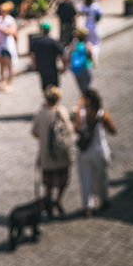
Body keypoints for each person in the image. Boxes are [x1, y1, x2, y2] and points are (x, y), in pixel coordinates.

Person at [73, 88, 117, 216]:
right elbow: (113, 131)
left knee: (85, 178)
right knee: (101, 177)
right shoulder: (102, 114)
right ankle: (104, 199)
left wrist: (78, 109)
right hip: (99, 150)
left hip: (85, 152)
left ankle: (87, 206)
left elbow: (76, 129)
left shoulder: (81, 114)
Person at [32, 85, 74, 216]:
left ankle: (49, 204)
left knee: (48, 183)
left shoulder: (40, 113)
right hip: (61, 155)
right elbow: (70, 129)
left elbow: (34, 132)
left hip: (46, 155)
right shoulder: (62, 111)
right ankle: (58, 200)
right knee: (63, 180)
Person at [30, 21, 65, 91]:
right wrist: (63, 66)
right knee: (54, 87)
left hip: (41, 68)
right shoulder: (54, 42)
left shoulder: (36, 42)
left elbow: (32, 55)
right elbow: (61, 55)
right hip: (52, 67)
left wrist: (34, 65)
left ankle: (48, 99)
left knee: (45, 86)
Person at [0, 1, 18, 91]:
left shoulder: (10, 20)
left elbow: (12, 32)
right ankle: (2, 82)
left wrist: (1, 29)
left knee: (9, 65)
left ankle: (10, 82)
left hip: (8, 45)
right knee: (1, 65)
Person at [67, 28, 94, 94]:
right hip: (85, 68)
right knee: (87, 88)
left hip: (76, 70)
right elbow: (90, 56)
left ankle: (83, 99)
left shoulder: (73, 45)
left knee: (81, 88)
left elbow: (69, 56)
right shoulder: (87, 45)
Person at [80, 0, 102, 65]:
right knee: (95, 44)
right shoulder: (95, 6)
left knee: (88, 44)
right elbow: (99, 15)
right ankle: (94, 58)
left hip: (86, 26)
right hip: (94, 27)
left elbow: (80, 13)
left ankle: (89, 59)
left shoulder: (84, 7)